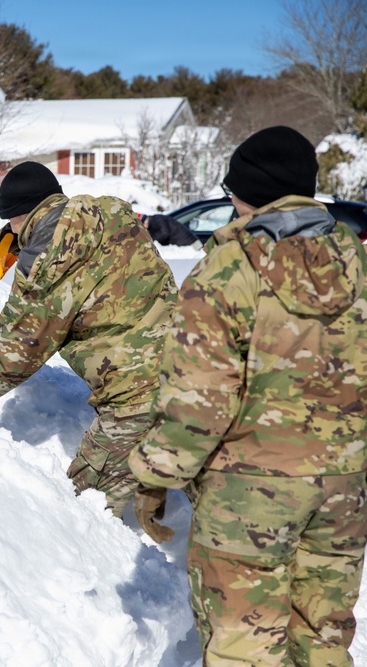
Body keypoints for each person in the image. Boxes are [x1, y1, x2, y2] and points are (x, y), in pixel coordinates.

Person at [129, 126, 367, 665]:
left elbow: (198, 406)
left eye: (233, 191)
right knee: (324, 642)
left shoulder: (230, 269)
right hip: (344, 494)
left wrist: (152, 476)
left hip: (249, 500)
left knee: (246, 648)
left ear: (248, 195)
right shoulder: (357, 262)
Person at [0, 161, 178, 517]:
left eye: (9, 222)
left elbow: (12, 360)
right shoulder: (112, 212)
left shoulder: (44, 260)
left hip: (139, 397)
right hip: (197, 372)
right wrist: (26, 242)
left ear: (17, 216)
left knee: (86, 516)